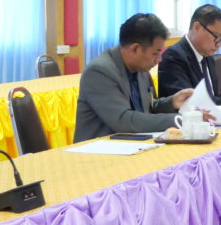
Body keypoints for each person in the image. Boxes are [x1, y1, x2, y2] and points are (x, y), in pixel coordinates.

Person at [74, 13, 194, 142]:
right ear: (135, 49)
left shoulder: (140, 67)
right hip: (98, 149)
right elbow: (124, 120)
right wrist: (181, 119)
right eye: (155, 54)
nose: (159, 60)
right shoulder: (99, 72)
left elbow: (146, 109)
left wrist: (172, 102)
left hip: (133, 145)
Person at [157, 4, 221, 106]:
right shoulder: (173, 57)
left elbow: (210, 96)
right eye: (216, 37)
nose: (218, 44)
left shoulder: (207, 55)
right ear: (197, 27)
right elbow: (188, 102)